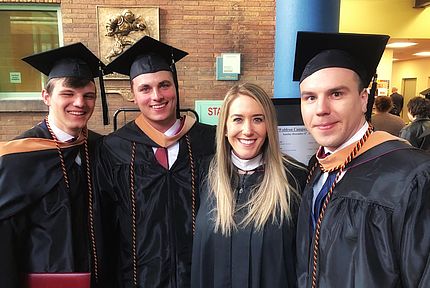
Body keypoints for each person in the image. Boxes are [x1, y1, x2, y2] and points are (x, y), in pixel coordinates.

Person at [293, 31, 430, 288]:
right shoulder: (318, 168)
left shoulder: (412, 177)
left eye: (336, 94)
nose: (321, 109)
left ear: (363, 98)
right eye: (310, 97)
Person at [93, 36, 216, 287]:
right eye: (145, 88)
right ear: (133, 96)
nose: (156, 96)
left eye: (164, 85)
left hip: (200, 276)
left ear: (176, 87)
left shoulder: (208, 140)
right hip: (137, 278)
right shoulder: (114, 148)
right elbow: (104, 224)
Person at [0, 43, 105, 288]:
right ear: (46, 97)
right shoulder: (18, 157)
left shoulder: (101, 149)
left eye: (89, 95)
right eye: (68, 94)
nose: (80, 103)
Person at [191, 83, 308, 288]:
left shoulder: (295, 178)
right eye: (237, 119)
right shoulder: (204, 173)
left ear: (269, 125)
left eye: (258, 119)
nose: (248, 130)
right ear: (225, 128)